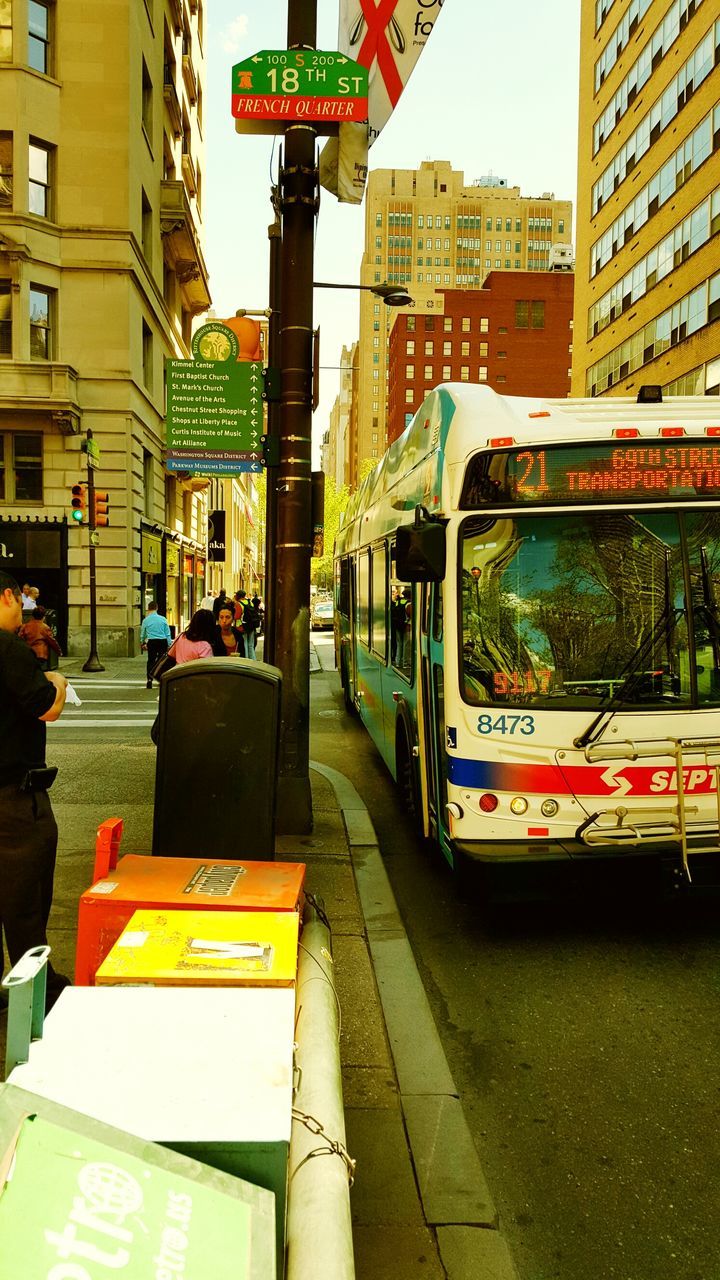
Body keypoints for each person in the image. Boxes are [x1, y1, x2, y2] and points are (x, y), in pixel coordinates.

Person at [0, 571, 70, 1011]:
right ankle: (34, 990)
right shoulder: (7, 649)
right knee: (25, 902)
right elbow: (47, 708)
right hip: (13, 799)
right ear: (7, 595)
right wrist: (58, 684)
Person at [18, 605, 62, 671]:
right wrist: (59, 652)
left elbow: (19, 639)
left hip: (29, 653)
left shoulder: (25, 626)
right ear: (43, 617)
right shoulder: (45, 627)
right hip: (40, 654)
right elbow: (52, 641)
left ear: (32, 616)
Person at [140, 601, 172, 688]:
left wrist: (142, 642)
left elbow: (143, 633)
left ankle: (149, 680)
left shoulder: (146, 620)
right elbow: (167, 633)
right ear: (157, 608)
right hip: (162, 641)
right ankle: (160, 678)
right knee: (161, 661)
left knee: (151, 660)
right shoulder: (163, 619)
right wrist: (169, 644)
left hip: (152, 641)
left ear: (148, 609)